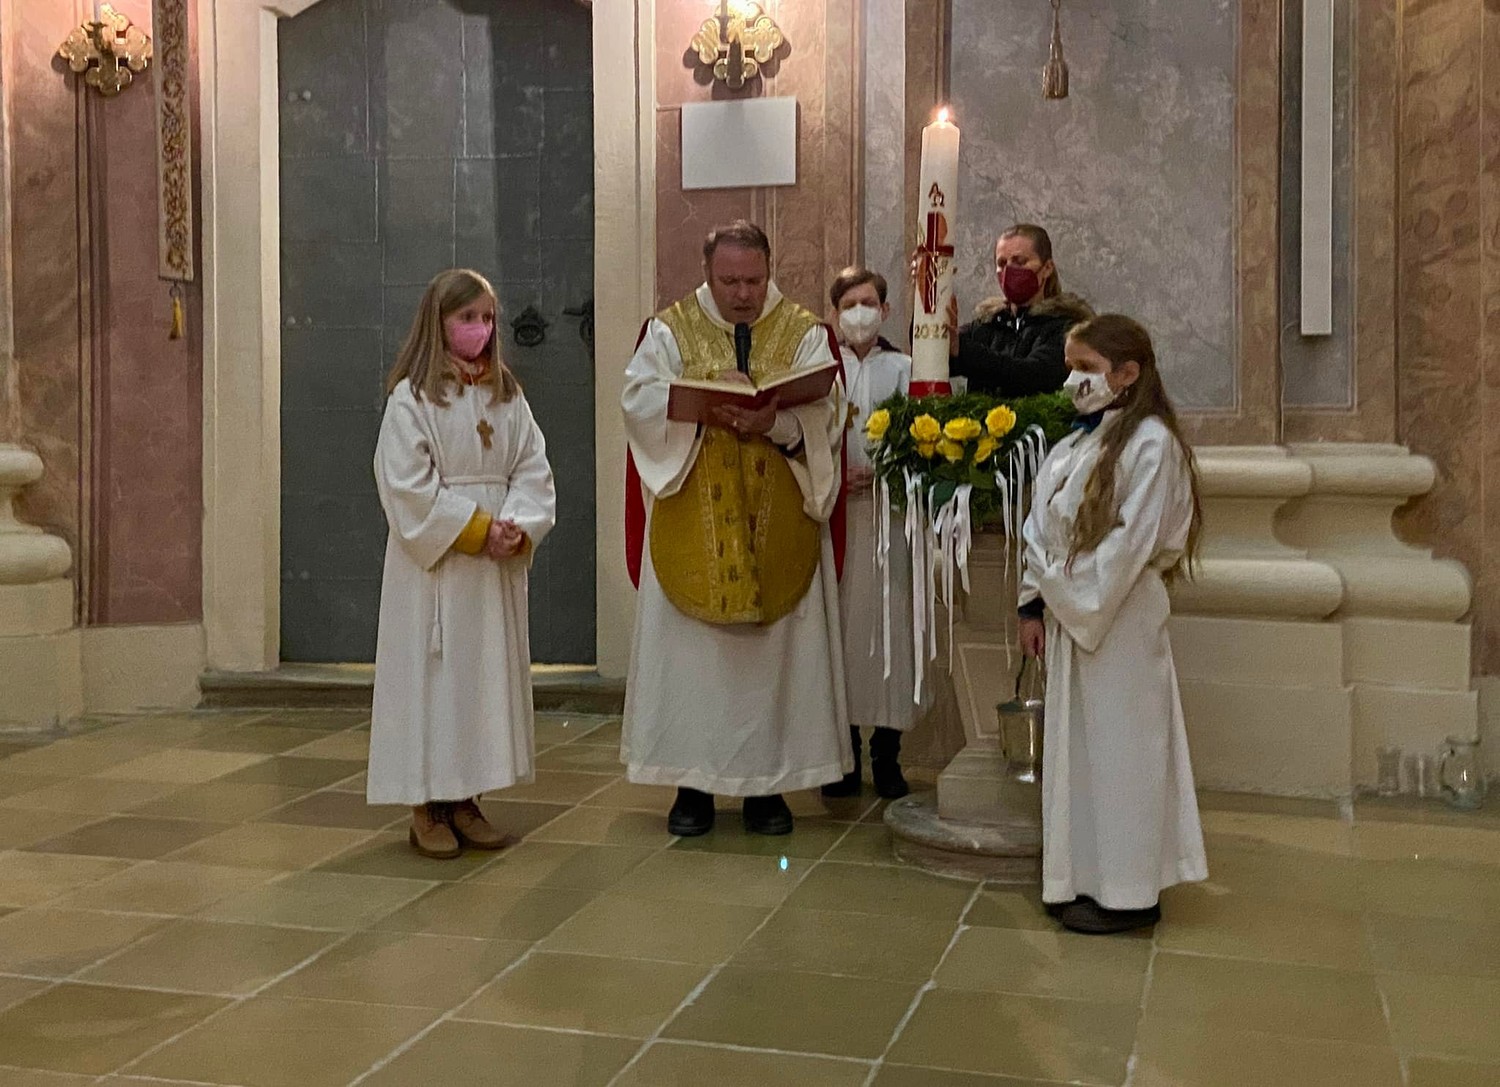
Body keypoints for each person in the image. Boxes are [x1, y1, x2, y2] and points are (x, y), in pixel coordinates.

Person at [621, 220, 851, 837]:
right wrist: (702, 406)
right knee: (693, 664)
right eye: (730, 281)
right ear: (707, 272)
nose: (744, 294)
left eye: (753, 280)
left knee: (775, 662)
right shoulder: (670, 330)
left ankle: (766, 789)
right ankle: (692, 786)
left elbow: (829, 417)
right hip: (696, 516)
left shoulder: (804, 332)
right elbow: (638, 403)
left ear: (769, 270)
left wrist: (777, 425)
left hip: (778, 522)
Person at [1017, 313, 1207, 934]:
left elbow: (1130, 543)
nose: (1073, 380)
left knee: (1123, 752)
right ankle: (1075, 876)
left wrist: (1061, 587)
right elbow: (1038, 526)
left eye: (1087, 368)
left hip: (1119, 616)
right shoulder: (1075, 444)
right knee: (1076, 753)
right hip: (1073, 613)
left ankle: (1130, 892)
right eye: (1069, 367)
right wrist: (1034, 600)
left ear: (1127, 373)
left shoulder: (1151, 443)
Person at [368, 268, 557, 859]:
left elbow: (532, 467)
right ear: (439, 322)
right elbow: (406, 485)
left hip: (493, 568)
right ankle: (426, 806)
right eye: (467, 317)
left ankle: (468, 797)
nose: (481, 328)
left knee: (479, 682)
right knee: (434, 681)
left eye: (488, 317)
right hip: (437, 569)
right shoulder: (412, 398)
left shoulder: (507, 395)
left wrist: (517, 526)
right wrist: (475, 529)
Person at [822, 266, 926, 800]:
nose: (859, 313)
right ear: (834, 314)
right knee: (836, 634)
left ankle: (887, 754)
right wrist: (835, 477)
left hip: (892, 522)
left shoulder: (907, 370)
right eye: (848, 305)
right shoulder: (822, 372)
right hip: (835, 520)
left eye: (868, 303)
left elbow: (926, 442)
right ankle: (843, 756)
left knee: (889, 633)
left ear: (885, 310)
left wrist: (888, 473)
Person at [949, 223, 1093, 397]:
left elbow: (1032, 375)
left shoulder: (1068, 327)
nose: (1009, 270)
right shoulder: (987, 323)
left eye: (1020, 262)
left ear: (1047, 268)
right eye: (1002, 263)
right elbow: (937, 360)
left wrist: (963, 350)